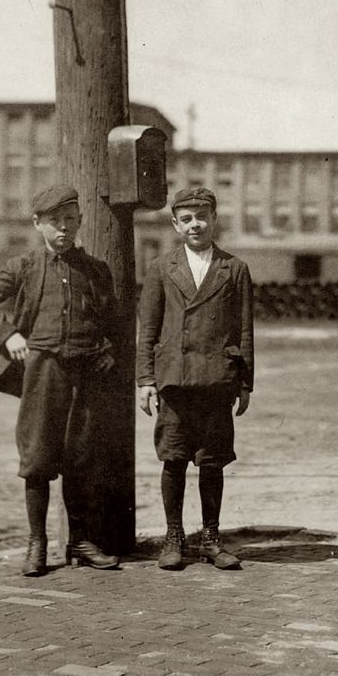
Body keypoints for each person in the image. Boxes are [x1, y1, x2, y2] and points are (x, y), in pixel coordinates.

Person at [0, 185, 120, 576]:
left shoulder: (96, 271)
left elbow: (113, 323)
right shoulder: (24, 267)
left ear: (80, 222)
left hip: (86, 375)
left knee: (82, 458)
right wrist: (10, 335)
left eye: (71, 220)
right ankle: (37, 544)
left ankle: (81, 541)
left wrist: (106, 351)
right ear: (38, 224)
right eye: (56, 221)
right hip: (42, 374)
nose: (65, 228)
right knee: (37, 459)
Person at [136, 187, 254, 570]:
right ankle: (173, 538)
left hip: (217, 381)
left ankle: (210, 538)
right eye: (186, 218)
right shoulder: (160, 268)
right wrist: (145, 380)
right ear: (174, 224)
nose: (195, 224)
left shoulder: (234, 268)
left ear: (214, 218)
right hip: (174, 381)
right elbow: (148, 330)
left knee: (212, 462)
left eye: (202, 216)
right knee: (173, 460)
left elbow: (244, 329)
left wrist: (245, 382)